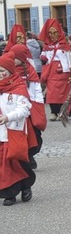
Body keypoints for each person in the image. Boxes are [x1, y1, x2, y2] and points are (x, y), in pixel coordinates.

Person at [0, 52, 35, 206]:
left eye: (2, 71)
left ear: (9, 71)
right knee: (4, 164)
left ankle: (26, 185)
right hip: (1, 133)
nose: (0, 75)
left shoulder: (19, 87)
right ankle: (10, 193)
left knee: (18, 162)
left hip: (15, 130)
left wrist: (8, 117)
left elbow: (25, 109)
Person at [12, 44, 46, 170]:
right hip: (16, 108)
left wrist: (38, 105)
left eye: (14, 57)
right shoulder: (9, 70)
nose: (12, 59)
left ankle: (31, 155)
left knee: (35, 135)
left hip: (30, 108)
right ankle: (24, 158)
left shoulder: (30, 70)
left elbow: (36, 89)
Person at [39, 19, 71, 121]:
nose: (52, 35)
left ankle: (63, 112)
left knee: (64, 93)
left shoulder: (64, 45)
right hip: (51, 72)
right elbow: (43, 55)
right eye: (50, 33)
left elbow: (70, 57)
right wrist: (43, 57)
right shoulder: (47, 46)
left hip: (63, 72)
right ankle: (54, 112)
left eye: (55, 33)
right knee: (52, 93)